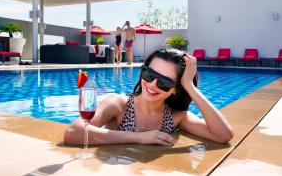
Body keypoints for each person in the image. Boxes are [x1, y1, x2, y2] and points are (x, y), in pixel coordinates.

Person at [64, 48, 234, 146]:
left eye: (164, 82)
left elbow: (223, 135)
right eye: (148, 74)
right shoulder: (119, 104)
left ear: (175, 89)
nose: (152, 84)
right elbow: (73, 133)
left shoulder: (176, 117)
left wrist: (189, 86)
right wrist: (139, 137)